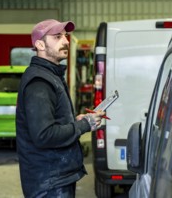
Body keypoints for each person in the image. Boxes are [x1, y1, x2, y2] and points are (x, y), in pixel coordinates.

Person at [16, 19, 105, 198]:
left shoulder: (51, 75)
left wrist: (74, 122)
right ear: (40, 44)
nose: (65, 41)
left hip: (55, 177)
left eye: (65, 36)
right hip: (49, 182)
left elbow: (53, 122)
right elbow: (44, 135)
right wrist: (84, 125)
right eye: (57, 37)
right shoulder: (39, 83)